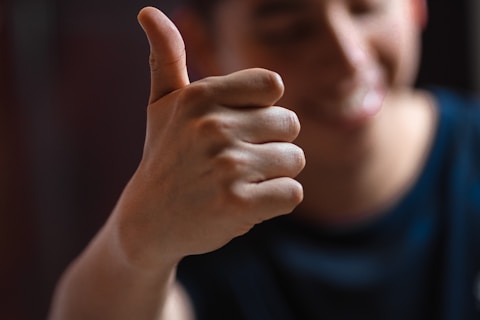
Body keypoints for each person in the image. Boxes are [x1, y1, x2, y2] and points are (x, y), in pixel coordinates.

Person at [48, 0, 480, 319]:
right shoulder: (197, 213)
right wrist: (139, 244)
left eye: (365, 8)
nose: (348, 57)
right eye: (290, 29)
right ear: (204, 43)